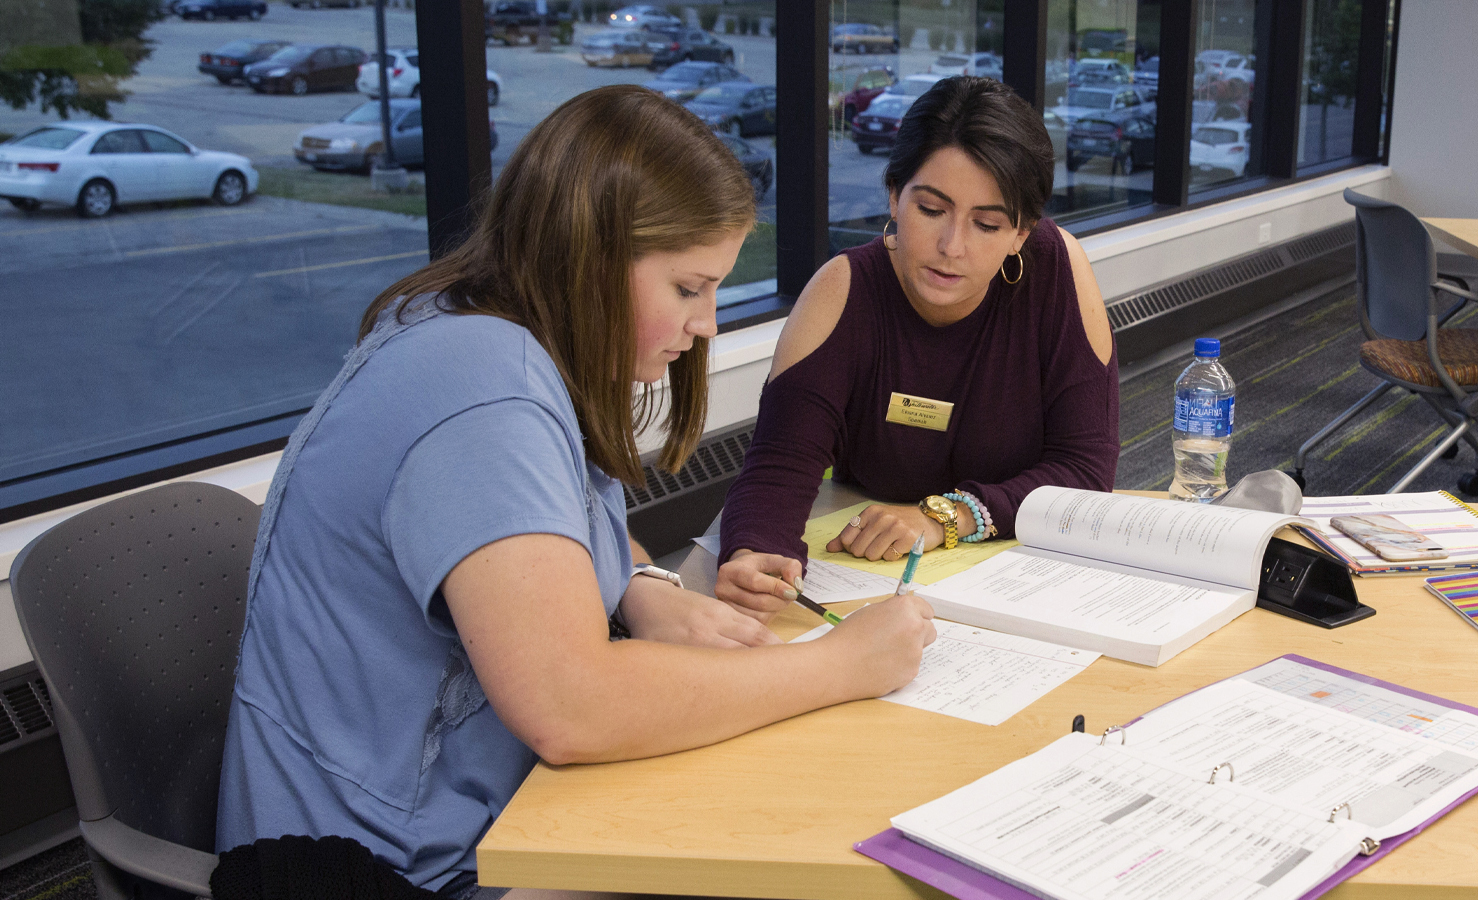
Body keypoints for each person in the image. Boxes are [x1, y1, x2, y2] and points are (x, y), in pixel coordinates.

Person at [215, 85, 937, 898]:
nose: (707, 324)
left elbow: (558, 528)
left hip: (443, 817)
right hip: (384, 866)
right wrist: (841, 666)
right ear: (593, 259)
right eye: (688, 288)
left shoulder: (481, 332)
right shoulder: (485, 395)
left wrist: (641, 586)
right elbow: (571, 706)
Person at [715, 76, 1118, 610]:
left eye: (988, 224)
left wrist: (947, 516)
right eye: (930, 210)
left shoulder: (1057, 270)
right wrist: (755, 554)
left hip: (1027, 579)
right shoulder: (843, 288)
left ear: (1022, 232)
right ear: (893, 195)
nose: (953, 247)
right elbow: (778, 468)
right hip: (873, 580)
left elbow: (1086, 471)